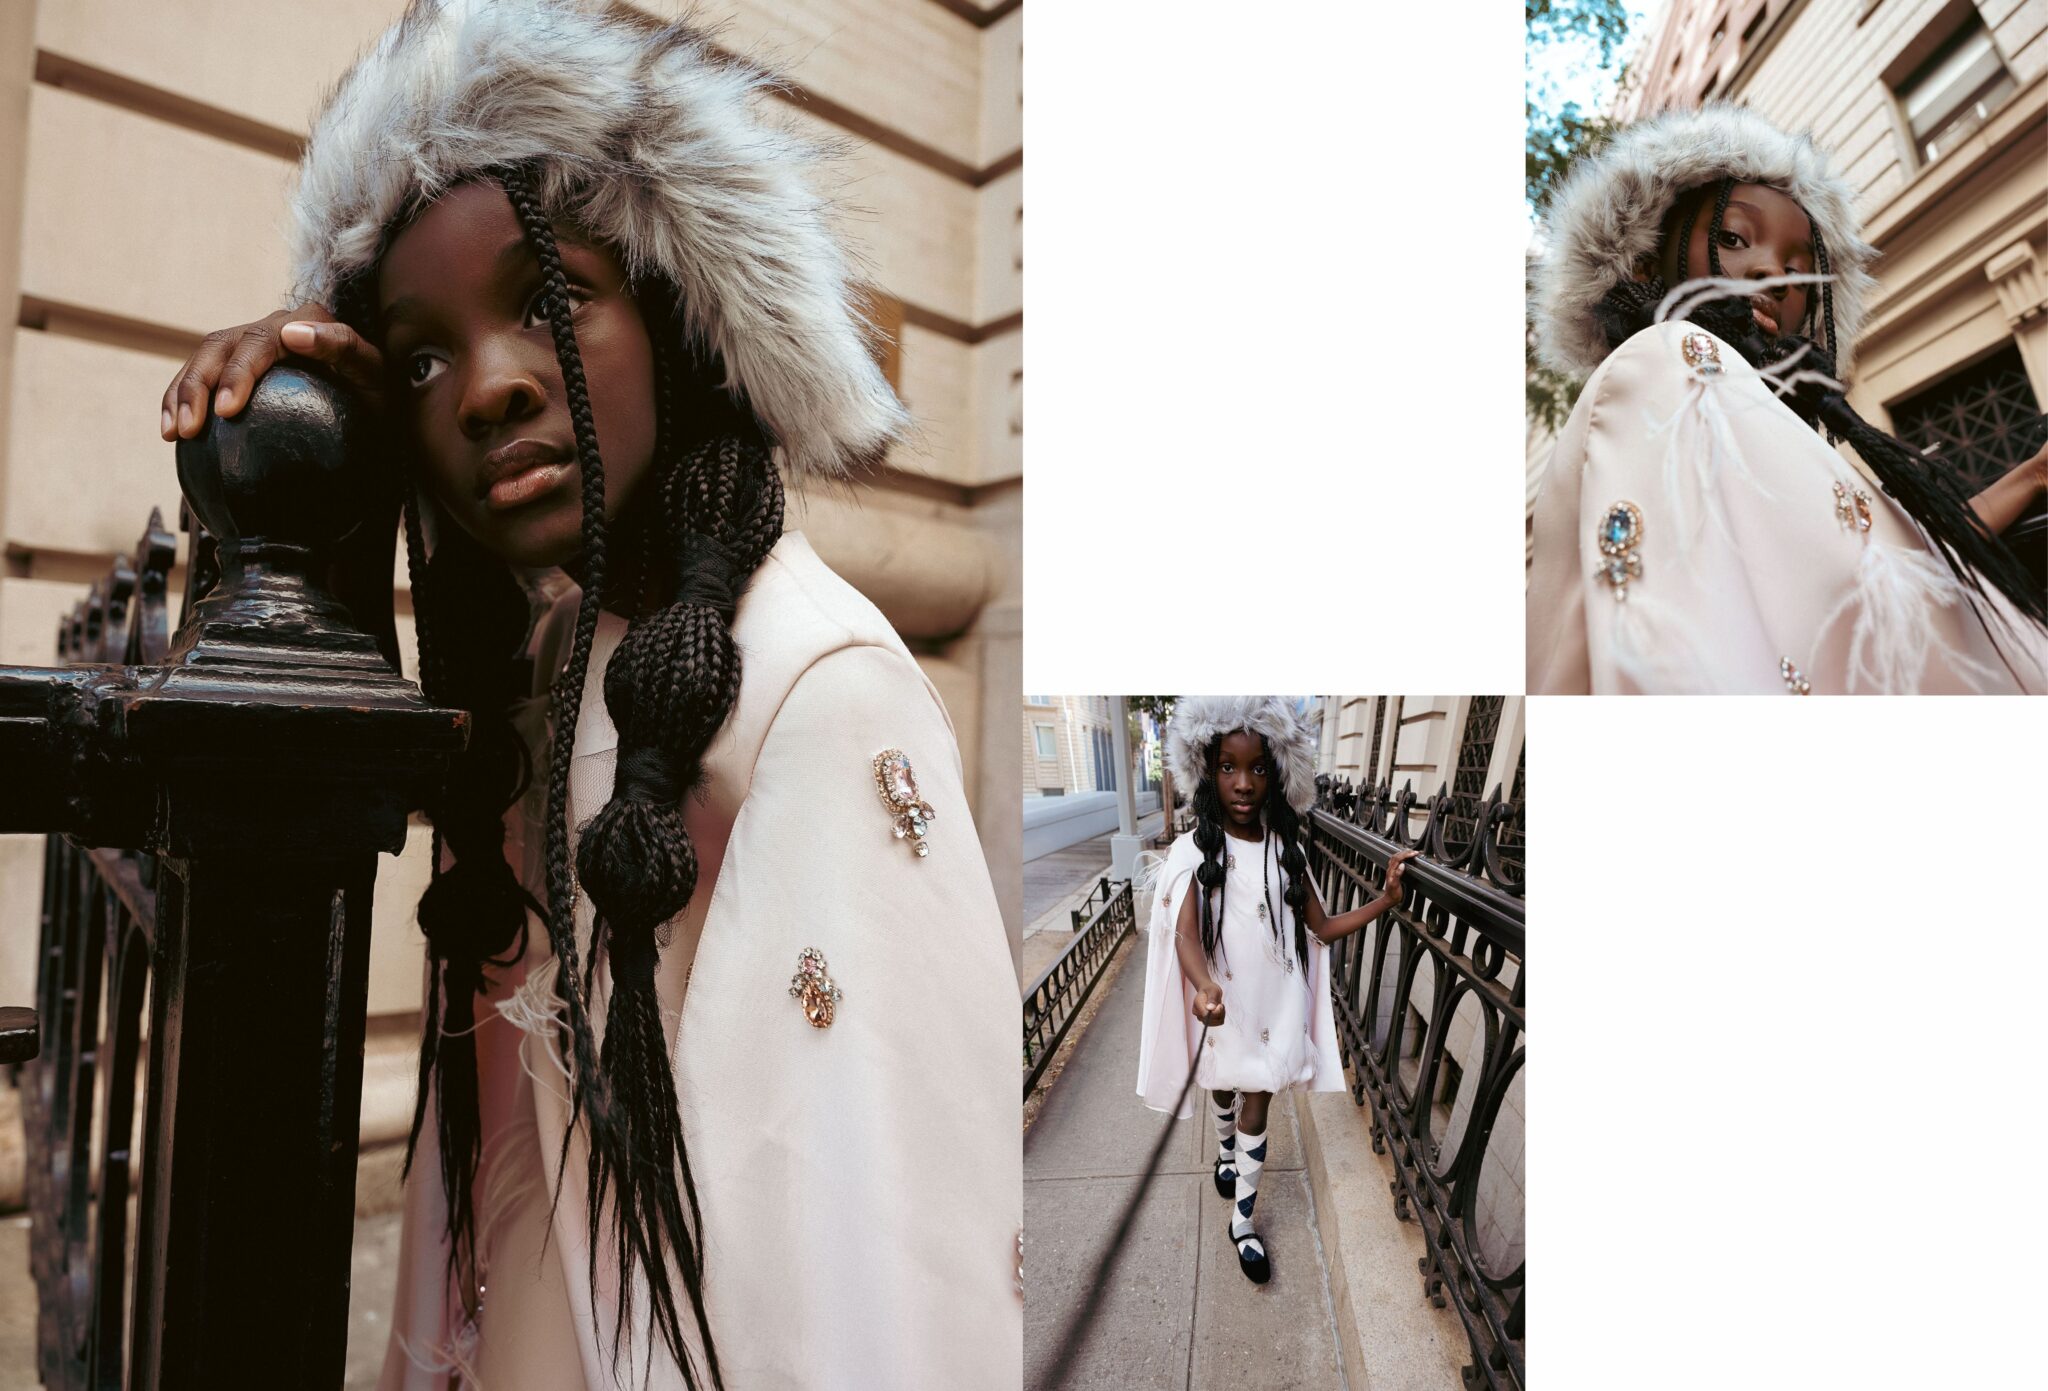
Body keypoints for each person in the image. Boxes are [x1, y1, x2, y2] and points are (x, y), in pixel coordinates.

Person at [158, 3, 1019, 1386]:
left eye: (549, 302)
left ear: (681, 321)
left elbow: (884, 1280)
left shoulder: (820, 688)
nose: (488, 388)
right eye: (424, 355)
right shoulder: (555, 670)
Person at [1526, 103, 2048, 695]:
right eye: (1732, 237)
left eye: (1800, 273)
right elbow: (1666, 644)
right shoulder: (1667, 356)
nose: (1771, 274)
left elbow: (1890, 568)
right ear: (1648, 260)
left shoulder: (1751, 411)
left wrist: (2033, 475)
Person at [1134, 696, 1416, 1284]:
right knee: (1223, 1087)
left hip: (1275, 999)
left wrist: (1385, 900)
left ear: (1278, 772)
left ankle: (1243, 1222)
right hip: (1225, 1001)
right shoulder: (1194, 851)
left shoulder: (1288, 852)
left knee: (1258, 1093)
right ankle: (1224, 1151)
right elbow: (1185, 935)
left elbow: (1321, 927)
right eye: (1228, 767)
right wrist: (1204, 983)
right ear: (1208, 772)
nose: (1243, 783)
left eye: (1258, 768)